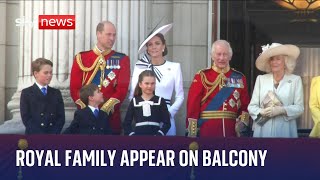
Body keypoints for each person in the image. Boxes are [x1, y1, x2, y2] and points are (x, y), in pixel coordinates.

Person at [70, 21, 130, 135]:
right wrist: (87, 110)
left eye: (114, 35)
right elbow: (74, 89)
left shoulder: (122, 59)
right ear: (98, 34)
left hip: (110, 119)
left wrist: (104, 110)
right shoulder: (81, 58)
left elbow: (122, 90)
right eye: (109, 34)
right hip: (85, 119)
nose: (112, 38)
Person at [186, 40, 250, 137]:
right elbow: (192, 105)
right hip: (207, 130)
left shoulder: (239, 77)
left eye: (225, 54)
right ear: (212, 56)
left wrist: (242, 124)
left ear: (230, 56)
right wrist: (192, 133)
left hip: (231, 131)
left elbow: (245, 105)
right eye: (218, 54)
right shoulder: (202, 76)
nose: (221, 58)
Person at [129, 24, 184, 136]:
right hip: (144, 117)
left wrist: (169, 113)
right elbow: (132, 95)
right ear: (147, 49)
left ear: (163, 46)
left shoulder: (174, 67)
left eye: (157, 43)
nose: (154, 47)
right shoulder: (140, 67)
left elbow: (180, 96)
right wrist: (138, 114)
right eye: (150, 44)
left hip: (166, 117)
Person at [248, 43, 304, 138]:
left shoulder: (295, 80)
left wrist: (282, 110)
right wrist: (261, 112)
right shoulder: (261, 79)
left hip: (285, 131)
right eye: (272, 59)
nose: (274, 62)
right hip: (263, 131)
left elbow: (300, 108)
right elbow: (252, 107)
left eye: (278, 59)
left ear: (285, 62)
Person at [20, 58, 65, 134]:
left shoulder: (56, 93)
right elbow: (26, 118)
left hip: (53, 137)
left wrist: (53, 134)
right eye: (46, 73)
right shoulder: (27, 93)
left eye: (51, 73)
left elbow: (61, 117)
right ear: (36, 74)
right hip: (34, 137)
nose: (49, 75)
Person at [124, 70, 171, 136]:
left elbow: (167, 123)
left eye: (152, 83)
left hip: (156, 138)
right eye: (147, 83)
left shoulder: (160, 101)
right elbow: (126, 123)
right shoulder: (134, 101)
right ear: (140, 84)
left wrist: (159, 134)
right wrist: (133, 135)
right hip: (138, 138)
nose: (149, 86)